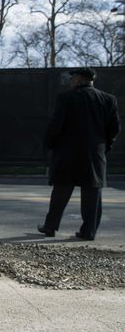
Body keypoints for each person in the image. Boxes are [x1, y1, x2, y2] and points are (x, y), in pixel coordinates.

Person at [38, 67, 119, 240]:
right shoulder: (108, 99)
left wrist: (49, 144)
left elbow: (56, 124)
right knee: (92, 194)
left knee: (61, 191)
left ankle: (50, 227)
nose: (71, 80)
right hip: (94, 153)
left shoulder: (66, 98)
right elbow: (114, 128)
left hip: (67, 152)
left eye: (73, 77)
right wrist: (104, 147)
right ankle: (88, 231)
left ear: (79, 79)